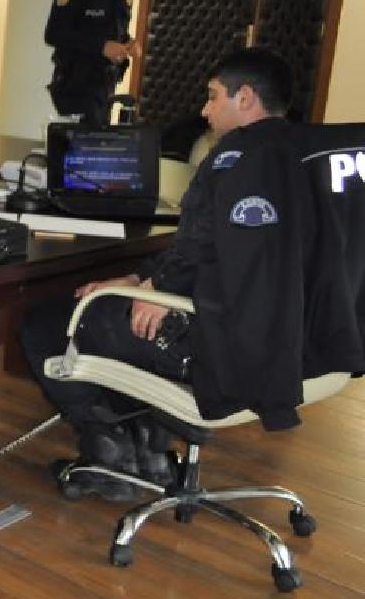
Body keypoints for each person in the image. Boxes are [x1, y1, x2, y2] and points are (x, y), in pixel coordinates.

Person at [20, 49, 297, 501]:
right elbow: (217, 251)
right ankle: (149, 447)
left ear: (245, 98)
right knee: (119, 309)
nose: (204, 110)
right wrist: (141, 281)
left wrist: (157, 288)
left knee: (47, 322)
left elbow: (198, 250)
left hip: (213, 342)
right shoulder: (307, 160)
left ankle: (108, 454)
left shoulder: (232, 159)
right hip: (285, 341)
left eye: (213, 96)